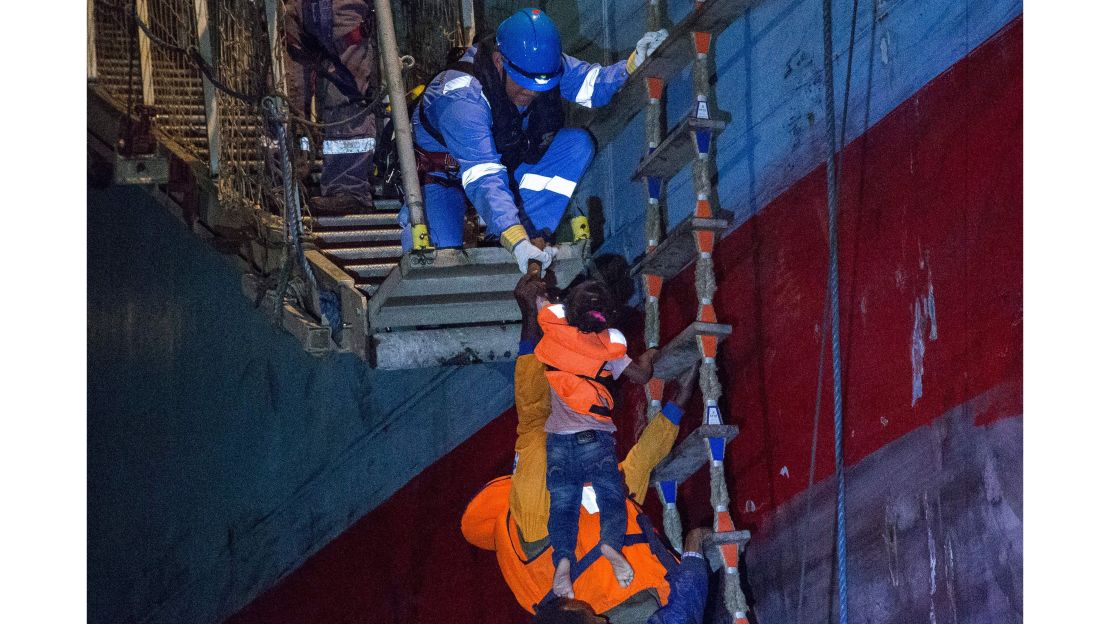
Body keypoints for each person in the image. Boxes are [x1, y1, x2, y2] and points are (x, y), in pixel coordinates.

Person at [460, 272, 708, 624]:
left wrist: (678, 404)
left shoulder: (541, 517)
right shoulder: (534, 519)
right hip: (654, 600)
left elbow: (633, 466)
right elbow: (536, 421)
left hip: (653, 600)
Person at [401, 8, 668, 273]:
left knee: (577, 145)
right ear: (498, 61)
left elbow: (590, 83)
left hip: (507, 167)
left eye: (540, 86)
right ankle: (514, 233)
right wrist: (516, 240)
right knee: (439, 263)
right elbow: (482, 175)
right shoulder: (461, 98)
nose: (530, 92)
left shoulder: (541, 68)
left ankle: (532, 233)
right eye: (523, 82)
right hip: (445, 178)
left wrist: (632, 65)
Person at [533, 279, 659, 598]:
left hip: (559, 442)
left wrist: (546, 289)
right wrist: (650, 356)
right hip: (596, 440)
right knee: (611, 498)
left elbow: (537, 297)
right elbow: (642, 376)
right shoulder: (609, 350)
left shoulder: (553, 329)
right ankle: (611, 545)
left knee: (563, 507)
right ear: (607, 315)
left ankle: (562, 562)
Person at [284, 0, 379, 214]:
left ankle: (348, 189)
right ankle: (287, 180)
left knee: (346, 97)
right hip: (296, 12)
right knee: (289, 97)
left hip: (343, 12)